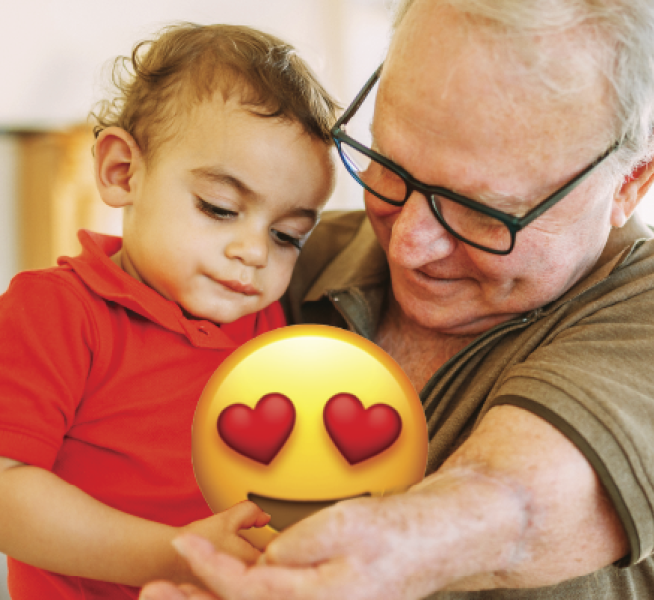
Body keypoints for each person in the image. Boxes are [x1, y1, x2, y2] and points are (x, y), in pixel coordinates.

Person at [139, 1, 654, 599]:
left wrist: (393, 551)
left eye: (482, 212)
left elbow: (521, 503)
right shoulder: (274, 261)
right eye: (389, 165)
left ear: (630, 183)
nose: (408, 244)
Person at [0, 23, 337, 599]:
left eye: (287, 235)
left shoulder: (270, 329)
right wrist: (175, 556)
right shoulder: (53, 312)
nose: (254, 251)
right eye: (220, 208)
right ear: (123, 171)